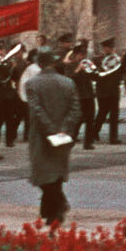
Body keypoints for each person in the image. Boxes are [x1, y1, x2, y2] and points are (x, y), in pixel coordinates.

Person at [24, 48, 82, 226]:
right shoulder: (68, 82)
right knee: (56, 173)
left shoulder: (31, 83)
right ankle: (52, 212)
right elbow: (75, 110)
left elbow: (37, 111)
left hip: (42, 135)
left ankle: (56, 209)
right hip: (63, 135)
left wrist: (51, 131)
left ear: (39, 64)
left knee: (42, 174)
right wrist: (63, 129)